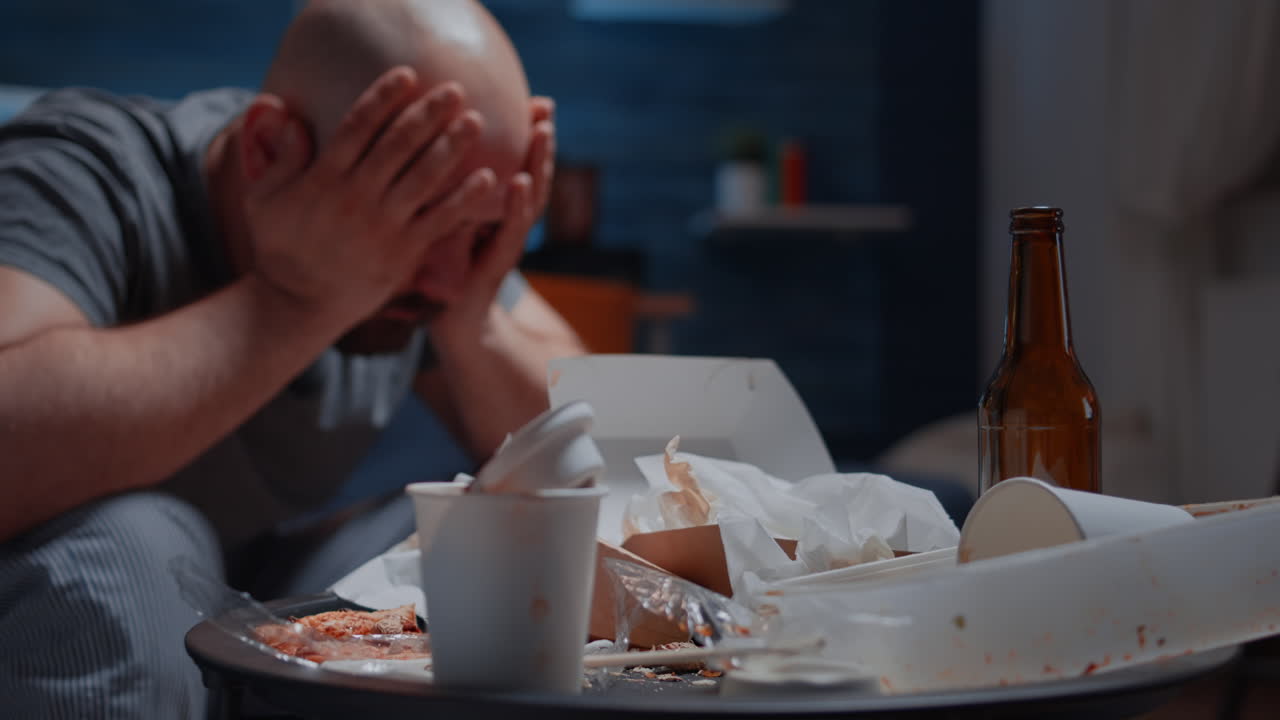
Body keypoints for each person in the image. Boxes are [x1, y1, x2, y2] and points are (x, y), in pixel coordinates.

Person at [0, 0, 585, 716]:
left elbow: (591, 451)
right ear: (268, 149)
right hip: (71, 597)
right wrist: (294, 303)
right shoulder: (84, 170)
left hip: (243, 575)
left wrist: (474, 321)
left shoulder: (441, 259)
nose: (444, 274)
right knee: (128, 550)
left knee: (480, 534)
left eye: (481, 231)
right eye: (414, 220)